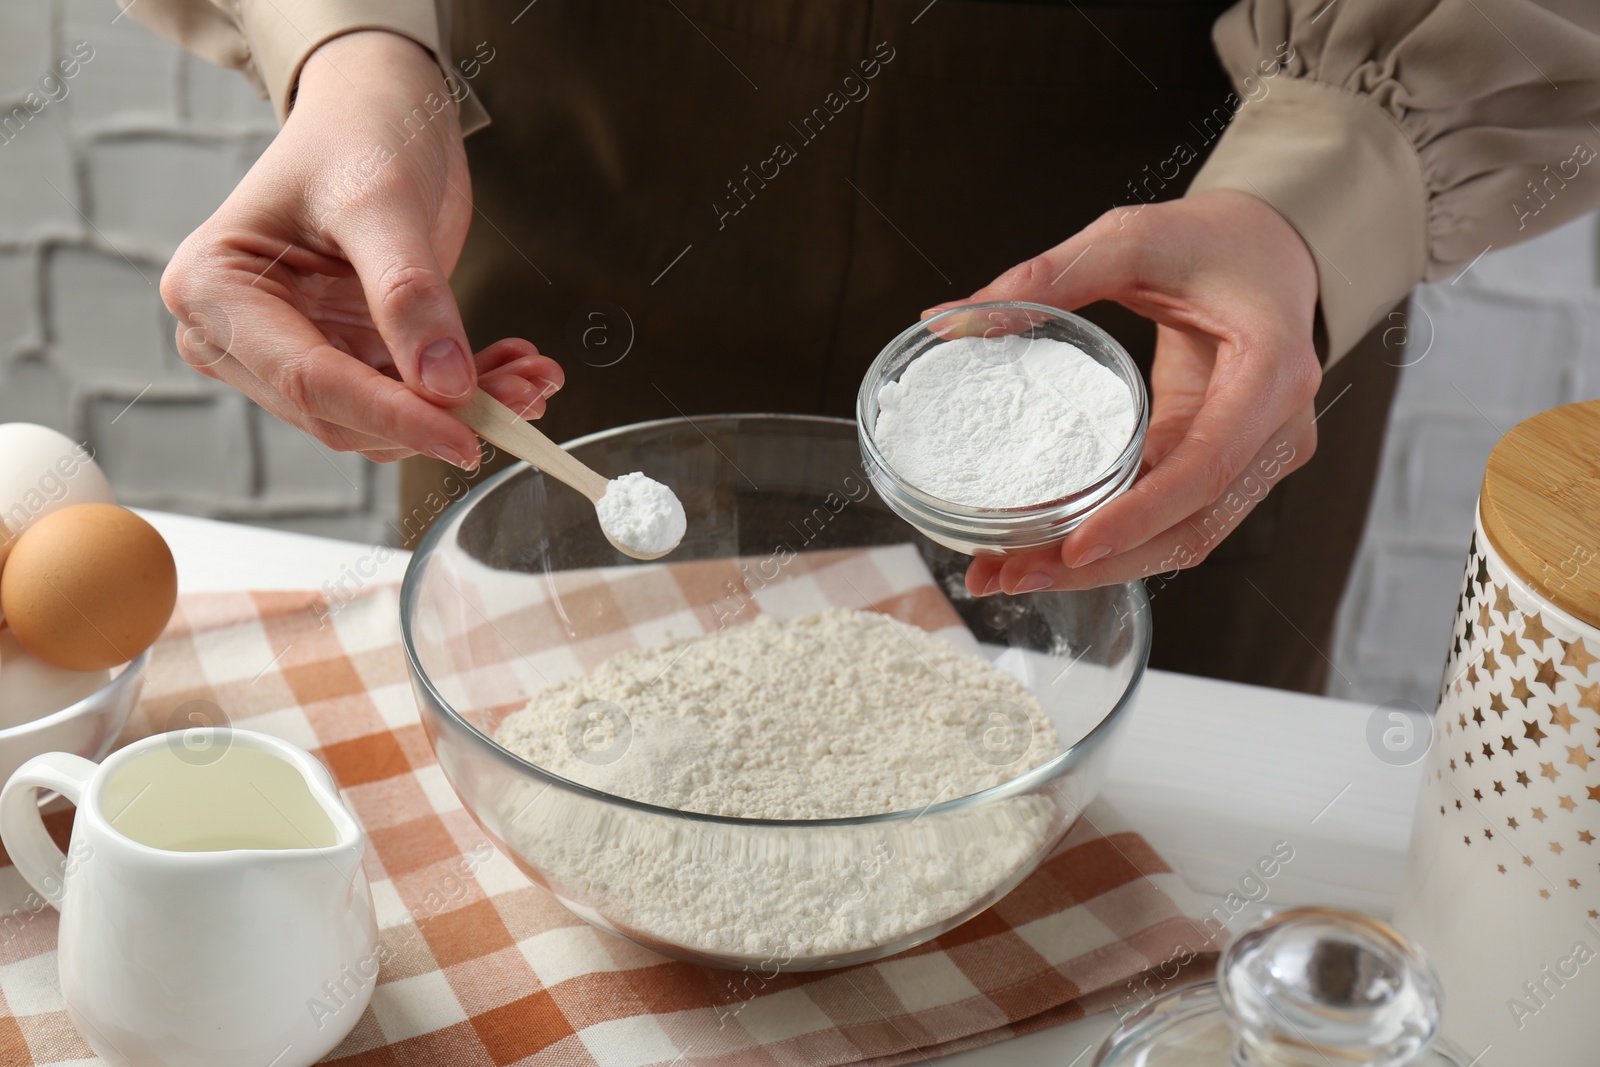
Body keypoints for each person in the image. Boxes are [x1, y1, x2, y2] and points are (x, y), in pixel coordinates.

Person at [122, 0, 1600, 693]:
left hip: (1166, 291)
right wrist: (350, 52)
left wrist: (1319, 188)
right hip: (562, 202)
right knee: (546, 727)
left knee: (1128, 828)